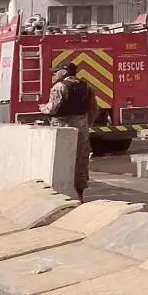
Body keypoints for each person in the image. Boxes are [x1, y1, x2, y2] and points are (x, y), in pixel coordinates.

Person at [41, 62, 94, 198]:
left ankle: (62, 191)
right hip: (82, 127)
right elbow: (93, 109)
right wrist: (87, 124)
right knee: (80, 160)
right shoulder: (86, 86)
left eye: (55, 71)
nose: (53, 74)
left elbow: (53, 108)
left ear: (64, 72)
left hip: (62, 127)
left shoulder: (59, 87)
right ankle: (80, 191)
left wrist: (42, 108)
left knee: (62, 159)